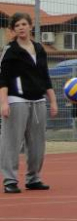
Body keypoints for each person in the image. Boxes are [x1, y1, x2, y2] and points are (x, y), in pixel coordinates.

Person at [0, 12, 58, 194]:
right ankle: (10, 180)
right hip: (16, 100)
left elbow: (45, 76)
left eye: (23, 24)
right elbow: (3, 79)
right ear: (13, 30)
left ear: (30, 26)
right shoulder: (10, 50)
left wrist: (53, 100)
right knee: (12, 142)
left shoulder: (39, 49)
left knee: (37, 144)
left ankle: (33, 179)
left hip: (38, 100)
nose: (21, 28)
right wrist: (4, 103)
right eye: (17, 25)